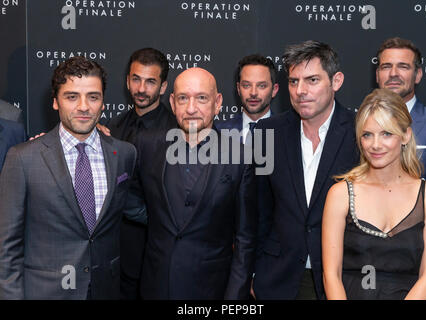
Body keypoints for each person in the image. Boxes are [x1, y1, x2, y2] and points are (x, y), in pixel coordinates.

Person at [0, 56, 137, 299]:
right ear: (55, 102)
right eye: (72, 96)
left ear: (103, 102)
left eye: (93, 97)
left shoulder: (124, 154)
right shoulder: (23, 158)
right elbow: (6, 247)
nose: (83, 106)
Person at [133, 67, 257, 299]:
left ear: (217, 102)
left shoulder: (241, 157)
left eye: (201, 98)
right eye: (183, 98)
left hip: (211, 289)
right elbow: (123, 191)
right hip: (156, 286)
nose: (191, 109)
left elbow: (245, 239)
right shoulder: (146, 145)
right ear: (172, 102)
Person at [253, 40, 359, 299]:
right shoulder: (266, 134)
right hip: (278, 277)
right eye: (293, 81)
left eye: (312, 80)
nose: (300, 90)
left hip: (341, 280)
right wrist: (254, 272)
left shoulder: (361, 133)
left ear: (336, 81)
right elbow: (256, 211)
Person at [322, 88, 426, 300]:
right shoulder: (340, 194)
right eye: (367, 135)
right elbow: (331, 274)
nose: (375, 145)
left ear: (405, 135)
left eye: (386, 133)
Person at [105, 48, 177, 299]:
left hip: (154, 255)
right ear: (127, 80)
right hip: (114, 254)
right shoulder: (113, 127)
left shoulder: (176, 132)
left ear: (163, 86)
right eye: (136, 79)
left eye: (150, 81)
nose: (141, 88)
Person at [376, 37, 426, 187]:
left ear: (417, 75)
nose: (393, 73)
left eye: (403, 67)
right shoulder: (358, 124)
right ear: (377, 75)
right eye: (386, 66)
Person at [216, 54, 279, 144]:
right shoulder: (218, 132)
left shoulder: (288, 133)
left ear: (274, 90)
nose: (253, 93)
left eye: (261, 86)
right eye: (246, 85)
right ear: (238, 89)